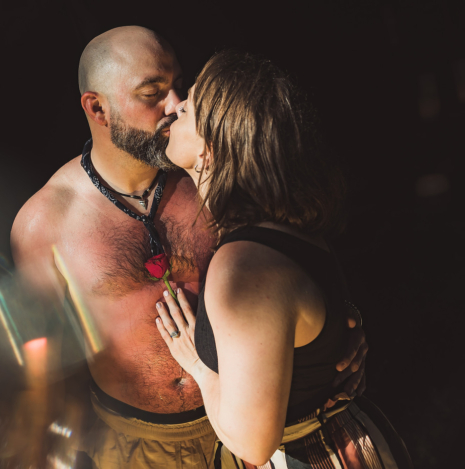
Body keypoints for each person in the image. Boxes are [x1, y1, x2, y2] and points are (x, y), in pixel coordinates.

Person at [10, 27, 367, 469]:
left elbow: (293, 259)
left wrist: (339, 329)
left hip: (248, 433)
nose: (175, 102)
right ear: (97, 108)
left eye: (180, 82)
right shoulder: (45, 223)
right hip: (134, 445)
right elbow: (45, 365)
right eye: (152, 91)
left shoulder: (213, 176)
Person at [155, 50, 412, 468]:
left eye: (193, 105)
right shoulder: (285, 232)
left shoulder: (244, 266)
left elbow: (253, 444)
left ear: (214, 146)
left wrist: (199, 366)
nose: (178, 105)